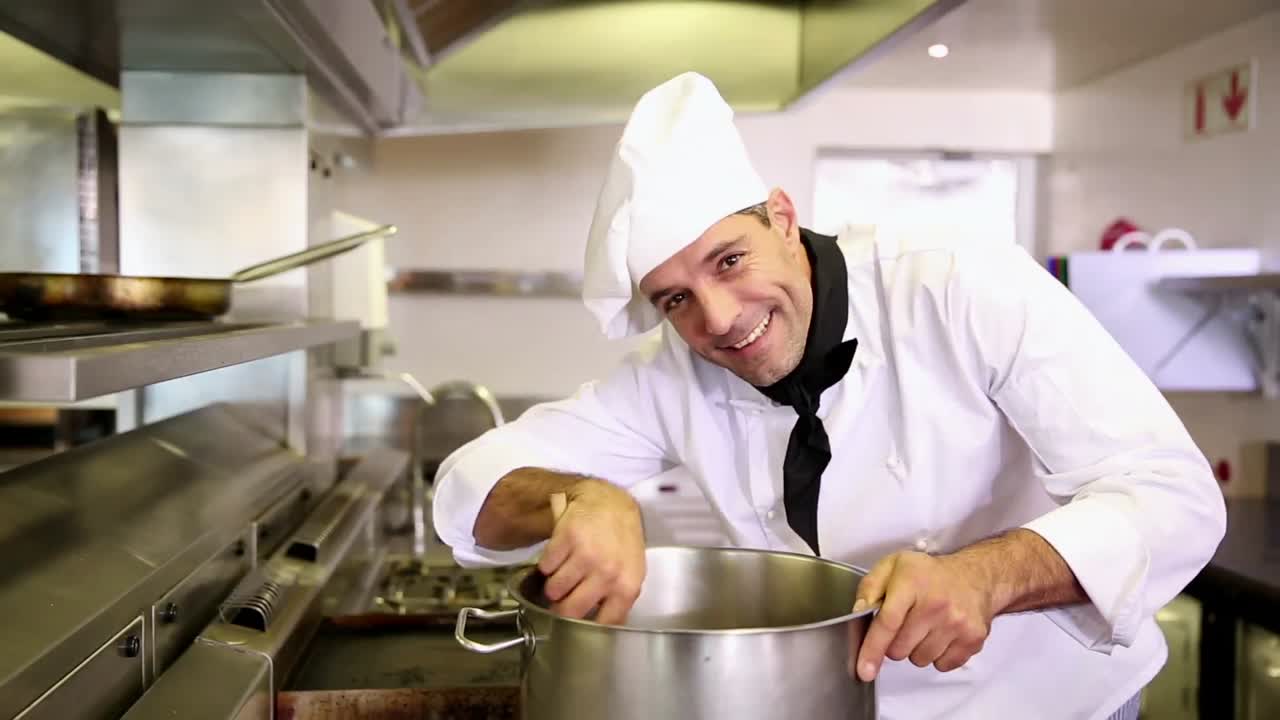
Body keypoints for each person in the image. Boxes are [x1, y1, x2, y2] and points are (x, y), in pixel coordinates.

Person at [431, 72, 1226, 720]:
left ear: (782, 215)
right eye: (673, 299)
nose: (718, 320)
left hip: (1049, 706)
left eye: (729, 261)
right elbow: (473, 479)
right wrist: (578, 496)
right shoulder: (667, 371)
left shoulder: (957, 284)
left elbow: (1173, 495)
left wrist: (984, 576)